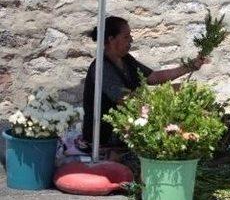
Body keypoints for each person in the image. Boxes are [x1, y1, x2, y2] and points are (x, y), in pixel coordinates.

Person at [81, 16, 208, 151]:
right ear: (111, 40)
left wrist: (190, 66)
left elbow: (154, 77)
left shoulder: (126, 60)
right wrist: (170, 91)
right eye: (126, 36)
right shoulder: (102, 68)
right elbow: (129, 101)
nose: (131, 40)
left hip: (127, 130)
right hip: (106, 137)